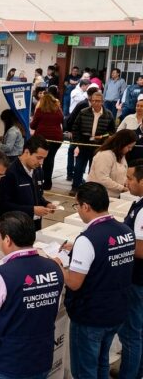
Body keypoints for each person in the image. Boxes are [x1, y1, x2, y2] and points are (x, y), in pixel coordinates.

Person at [0, 211, 64, 379]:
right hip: (40, 356)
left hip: (7, 361)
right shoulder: (54, 268)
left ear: (8, 240)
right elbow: (52, 306)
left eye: (0, 238)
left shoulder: (1, 275)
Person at [60, 182, 135, 379]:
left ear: (85, 206)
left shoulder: (88, 238)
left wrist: (60, 268)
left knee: (85, 370)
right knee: (102, 361)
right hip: (117, 310)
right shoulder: (126, 231)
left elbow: (74, 283)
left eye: (77, 206)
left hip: (90, 316)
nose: (78, 211)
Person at [0, 135, 55, 231]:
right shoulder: (10, 173)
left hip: (35, 226)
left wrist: (46, 204)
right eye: (39, 158)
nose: (41, 162)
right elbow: (2, 206)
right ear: (26, 152)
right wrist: (32, 210)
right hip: (16, 228)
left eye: (44, 158)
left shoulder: (38, 170)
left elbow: (38, 195)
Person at [119, 160, 143, 378]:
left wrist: (114, 245)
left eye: (129, 178)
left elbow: (141, 250)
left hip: (137, 279)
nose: (126, 182)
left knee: (131, 334)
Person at [70, 91, 116, 196]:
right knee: (78, 167)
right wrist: (77, 143)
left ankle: (91, 189)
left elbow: (112, 132)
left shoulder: (108, 114)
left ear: (102, 102)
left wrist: (103, 137)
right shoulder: (83, 112)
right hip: (84, 144)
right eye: (93, 101)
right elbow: (75, 128)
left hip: (99, 146)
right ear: (90, 101)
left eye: (98, 101)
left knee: (94, 168)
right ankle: (75, 187)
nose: (95, 103)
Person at [87, 129, 136, 198]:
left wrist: (127, 183)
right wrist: (122, 188)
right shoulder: (105, 155)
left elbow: (123, 173)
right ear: (121, 143)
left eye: (131, 147)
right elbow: (102, 178)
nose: (130, 149)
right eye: (129, 147)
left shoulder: (121, 155)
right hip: (98, 196)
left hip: (112, 195)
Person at [30, 92, 63, 190]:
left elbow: (32, 125)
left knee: (38, 158)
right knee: (50, 159)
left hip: (42, 139)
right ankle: (48, 183)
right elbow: (62, 121)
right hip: (56, 139)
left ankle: (38, 180)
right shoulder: (58, 111)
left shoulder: (40, 111)